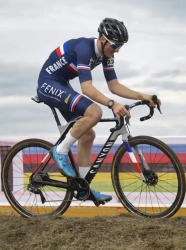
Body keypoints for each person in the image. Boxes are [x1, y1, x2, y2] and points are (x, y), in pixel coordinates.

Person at [36, 17, 161, 204]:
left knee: (87, 135)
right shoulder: (85, 49)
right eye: (114, 45)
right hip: (48, 84)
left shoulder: (106, 53)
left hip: (62, 84)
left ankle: (84, 188)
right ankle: (60, 151)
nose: (117, 50)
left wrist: (142, 96)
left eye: (121, 46)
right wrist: (112, 104)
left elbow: (114, 85)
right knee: (95, 112)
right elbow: (87, 88)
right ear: (102, 39)